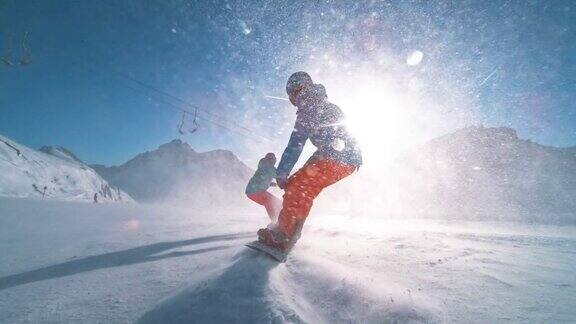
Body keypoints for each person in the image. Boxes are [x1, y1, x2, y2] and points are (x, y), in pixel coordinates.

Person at [257, 72, 362, 252]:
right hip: (339, 155)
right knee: (299, 185)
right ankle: (286, 230)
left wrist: (282, 173)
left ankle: (284, 235)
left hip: (339, 156)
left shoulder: (310, 107)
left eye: (292, 95)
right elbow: (339, 134)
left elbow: (295, 145)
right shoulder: (321, 103)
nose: (293, 101)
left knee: (299, 186)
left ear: (299, 90)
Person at [245, 153, 283, 222]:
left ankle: (278, 220)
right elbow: (278, 175)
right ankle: (276, 221)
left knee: (275, 202)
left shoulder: (264, 165)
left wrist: (270, 184)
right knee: (271, 202)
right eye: (274, 159)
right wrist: (288, 181)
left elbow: (262, 179)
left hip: (253, 191)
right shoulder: (268, 166)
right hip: (255, 191)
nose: (274, 161)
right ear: (271, 159)